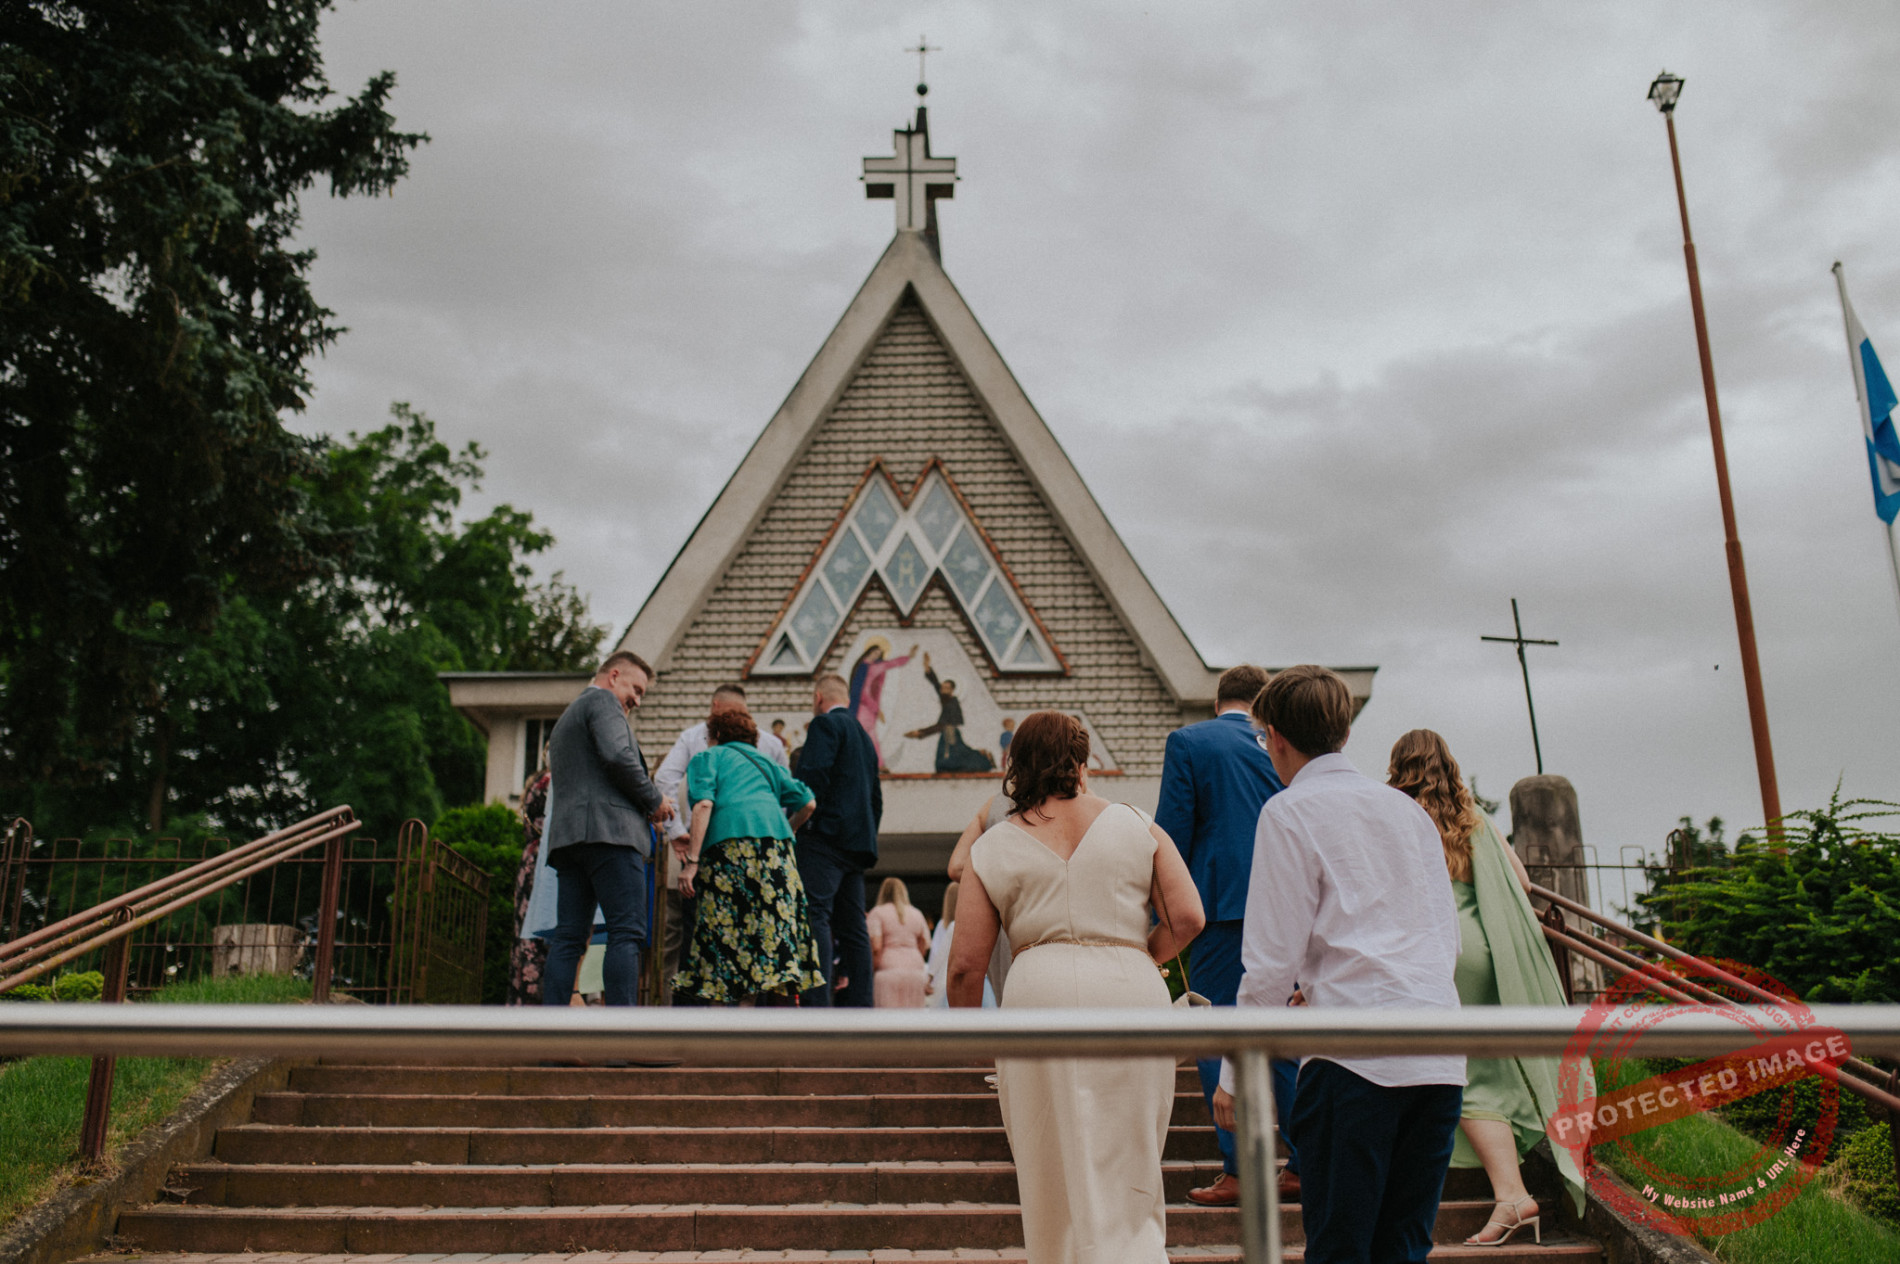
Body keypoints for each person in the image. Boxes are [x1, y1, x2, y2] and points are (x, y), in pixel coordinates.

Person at [1212, 665, 1464, 1264]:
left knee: (1339, 1249)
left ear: (1273, 736)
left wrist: (1232, 1072)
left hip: (1355, 1057)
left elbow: (1271, 961)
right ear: (1344, 733)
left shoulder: (1289, 811)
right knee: (1404, 1248)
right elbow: (1443, 941)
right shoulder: (1410, 814)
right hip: (1438, 1050)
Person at [949, 711, 1206, 1264]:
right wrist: (1138, 956)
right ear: (1081, 763)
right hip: (1130, 991)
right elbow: (1188, 917)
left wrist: (967, 1038)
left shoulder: (992, 846)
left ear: (1016, 766)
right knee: (1130, 1158)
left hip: (1038, 994)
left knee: (1049, 1163)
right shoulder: (1137, 823)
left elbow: (966, 967)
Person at [1388, 729, 1583, 1243]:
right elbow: (1519, 884)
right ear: (1447, 766)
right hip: (1481, 953)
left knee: (1457, 1074)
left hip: (1434, 951)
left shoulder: (1399, 819)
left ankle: (1512, 1197)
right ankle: (1511, 1196)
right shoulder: (1474, 821)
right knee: (1483, 1073)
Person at [1154, 663, 1296, 1208]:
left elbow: (1171, 833)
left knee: (1217, 1030)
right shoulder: (1283, 742)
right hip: (1286, 902)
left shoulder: (1190, 741)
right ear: (1262, 703)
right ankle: (1303, 1163)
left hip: (1220, 909)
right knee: (1283, 1034)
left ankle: (1240, 1170)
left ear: (1219, 701)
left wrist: (1163, 918)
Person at [541, 651, 674, 1007]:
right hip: (611, 837)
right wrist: (654, 800)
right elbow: (617, 756)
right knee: (626, 933)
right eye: (636, 688)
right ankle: (623, 1042)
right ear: (614, 676)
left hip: (570, 841)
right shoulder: (603, 702)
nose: (638, 699)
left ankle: (551, 1042)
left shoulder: (567, 718)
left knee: (568, 938)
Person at [671, 709, 824, 1005]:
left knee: (725, 938)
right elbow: (808, 803)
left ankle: (721, 1034)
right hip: (775, 856)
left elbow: (703, 805)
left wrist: (691, 863)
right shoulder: (767, 762)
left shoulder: (709, 758)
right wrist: (789, 831)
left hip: (729, 854)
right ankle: (744, 1029)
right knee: (760, 942)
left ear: (714, 736)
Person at [654, 684, 791, 1003]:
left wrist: (678, 834)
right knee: (752, 937)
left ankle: (691, 1021)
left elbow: (666, 783)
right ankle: (742, 1025)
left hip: (708, 852)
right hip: (758, 857)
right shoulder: (769, 745)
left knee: (699, 936)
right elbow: (789, 798)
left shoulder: (697, 743)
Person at [795, 672, 882, 1007]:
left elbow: (810, 778)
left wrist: (797, 824)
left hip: (823, 839)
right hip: (856, 846)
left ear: (819, 697)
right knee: (853, 928)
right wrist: (865, 834)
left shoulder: (823, 726)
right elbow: (876, 798)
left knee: (815, 915)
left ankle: (817, 1008)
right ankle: (861, 1010)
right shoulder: (864, 738)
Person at [507, 766, 552, 1005]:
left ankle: (523, 1001)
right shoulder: (550, 781)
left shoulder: (539, 780)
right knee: (536, 934)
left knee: (527, 932)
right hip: (542, 862)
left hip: (532, 860)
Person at [904, 653, 994, 772]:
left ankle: (983, 757)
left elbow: (941, 725)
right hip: (947, 733)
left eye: (946, 688)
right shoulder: (947, 700)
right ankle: (981, 755)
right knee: (951, 759)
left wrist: (921, 732)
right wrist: (927, 668)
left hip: (950, 734)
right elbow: (937, 685)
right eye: (943, 688)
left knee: (954, 759)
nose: (943, 690)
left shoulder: (952, 704)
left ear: (952, 690)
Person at [847, 638, 916, 768]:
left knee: (866, 735)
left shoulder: (871, 667)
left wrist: (908, 657)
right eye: (875, 653)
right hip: (863, 709)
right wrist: (876, 709)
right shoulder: (864, 668)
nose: (876, 656)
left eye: (879, 655)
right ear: (869, 652)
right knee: (868, 735)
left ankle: (872, 763)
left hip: (866, 709)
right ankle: (877, 764)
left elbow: (891, 663)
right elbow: (862, 693)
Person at [867, 876, 933, 1006]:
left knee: (888, 1020)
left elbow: (876, 947)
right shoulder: (917, 913)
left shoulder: (877, 913)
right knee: (913, 1019)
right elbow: (924, 945)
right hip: (916, 971)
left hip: (888, 970)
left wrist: (872, 969)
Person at [924, 881, 958, 1008]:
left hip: (944, 977)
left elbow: (937, 953)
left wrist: (930, 977)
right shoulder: (961, 925)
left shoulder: (943, 926)